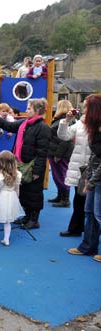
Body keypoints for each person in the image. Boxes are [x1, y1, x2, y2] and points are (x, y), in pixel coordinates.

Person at [0, 98, 51, 229]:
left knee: (34, 192)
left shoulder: (42, 128)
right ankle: (27, 216)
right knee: (24, 191)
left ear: (37, 111)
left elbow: (42, 151)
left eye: (29, 109)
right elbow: (8, 126)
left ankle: (34, 219)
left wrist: (38, 171)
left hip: (32, 165)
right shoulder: (24, 123)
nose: (26, 110)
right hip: (21, 162)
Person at [67, 94, 101, 261]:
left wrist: (92, 181)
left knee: (99, 214)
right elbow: (95, 157)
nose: (84, 110)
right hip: (94, 174)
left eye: (87, 107)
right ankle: (88, 246)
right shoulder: (92, 128)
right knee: (89, 212)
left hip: (98, 177)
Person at [57, 107, 91, 237]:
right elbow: (64, 135)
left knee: (92, 203)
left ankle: (87, 231)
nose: (84, 109)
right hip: (80, 168)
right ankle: (76, 228)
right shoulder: (81, 123)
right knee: (79, 199)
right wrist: (66, 121)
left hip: (93, 168)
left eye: (86, 106)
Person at [47, 100, 75, 208]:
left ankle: (65, 199)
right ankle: (60, 196)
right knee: (57, 175)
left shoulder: (64, 120)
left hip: (60, 153)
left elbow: (65, 140)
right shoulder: (62, 120)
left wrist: (58, 154)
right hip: (57, 151)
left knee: (62, 175)